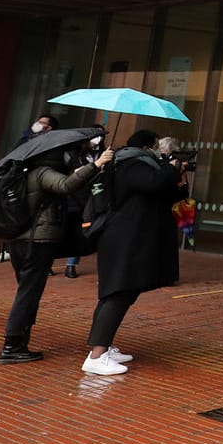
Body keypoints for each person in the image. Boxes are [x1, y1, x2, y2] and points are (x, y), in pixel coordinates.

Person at [83, 130, 189, 376]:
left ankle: (102, 347)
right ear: (147, 146)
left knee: (120, 293)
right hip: (125, 239)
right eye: (155, 147)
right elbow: (153, 183)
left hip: (131, 238)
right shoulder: (130, 164)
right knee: (118, 292)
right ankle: (96, 356)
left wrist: (178, 177)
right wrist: (170, 167)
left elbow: (164, 194)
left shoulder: (136, 164)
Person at [0, 141, 113, 363]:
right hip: (37, 240)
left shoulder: (24, 171)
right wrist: (96, 164)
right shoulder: (43, 172)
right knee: (28, 293)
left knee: (27, 290)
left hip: (19, 239)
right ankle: (11, 346)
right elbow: (65, 185)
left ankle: (19, 342)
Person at [0, 115, 61, 265]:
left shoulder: (53, 143)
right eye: (38, 122)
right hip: (21, 181)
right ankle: (9, 249)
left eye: (42, 123)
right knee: (14, 211)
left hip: (39, 182)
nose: (37, 125)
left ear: (49, 128)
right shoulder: (26, 138)